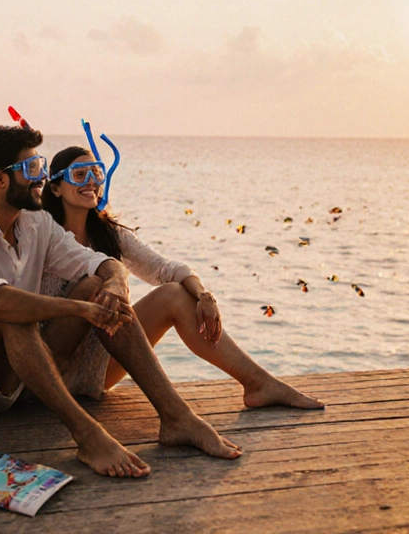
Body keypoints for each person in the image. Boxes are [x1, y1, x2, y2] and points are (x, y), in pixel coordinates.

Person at [0, 124, 242, 478]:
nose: (41, 177)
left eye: (42, 165)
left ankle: (176, 416)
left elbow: (98, 262)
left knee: (94, 284)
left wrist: (116, 286)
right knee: (10, 312)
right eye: (31, 169)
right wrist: (78, 309)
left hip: (24, 378)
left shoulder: (36, 223)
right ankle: (88, 435)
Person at [41, 145, 323, 409]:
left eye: (96, 173)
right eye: (80, 175)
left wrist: (204, 296)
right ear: (55, 187)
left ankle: (258, 383)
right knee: (91, 285)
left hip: (98, 369)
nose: (91, 181)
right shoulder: (42, 237)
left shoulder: (109, 235)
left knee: (175, 294)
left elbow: (167, 269)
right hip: (50, 369)